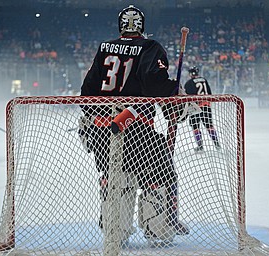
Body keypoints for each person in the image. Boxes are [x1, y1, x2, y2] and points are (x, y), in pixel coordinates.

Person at [79, 4, 189, 243]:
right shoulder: (150, 47)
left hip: (104, 133)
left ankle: (115, 231)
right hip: (138, 130)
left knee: (116, 179)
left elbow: (86, 93)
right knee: (159, 173)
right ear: (142, 26)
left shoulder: (104, 48)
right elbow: (153, 82)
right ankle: (159, 230)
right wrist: (174, 92)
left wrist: (94, 120)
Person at [183, 66, 220, 152]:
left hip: (195, 107)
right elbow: (209, 93)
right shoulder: (204, 80)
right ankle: (217, 144)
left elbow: (187, 97)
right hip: (206, 105)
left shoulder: (189, 83)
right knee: (209, 126)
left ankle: (200, 146)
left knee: (195, 127)